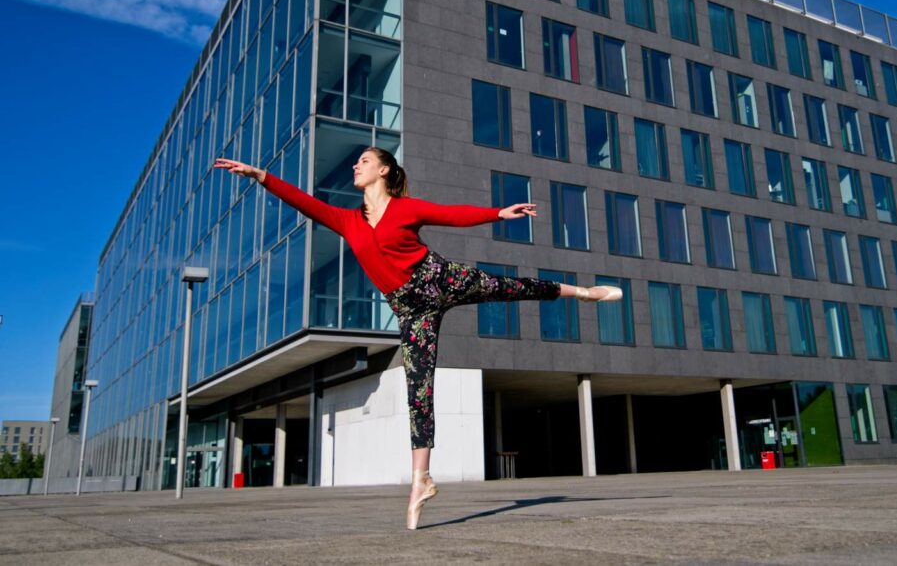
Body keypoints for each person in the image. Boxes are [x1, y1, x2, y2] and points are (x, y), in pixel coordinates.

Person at [214, 148, 621, 529]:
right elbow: (308, 204)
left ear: (384, 170)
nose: (356, 166)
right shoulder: (349, 221)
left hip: (440, 279)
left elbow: (452, 215)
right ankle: (421, 479)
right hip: (411, 311)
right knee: (419, 391)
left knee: (509, 287)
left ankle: (585, 293)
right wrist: (260, 176)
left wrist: (499, 212)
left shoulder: (405, 208)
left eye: (364, 161)